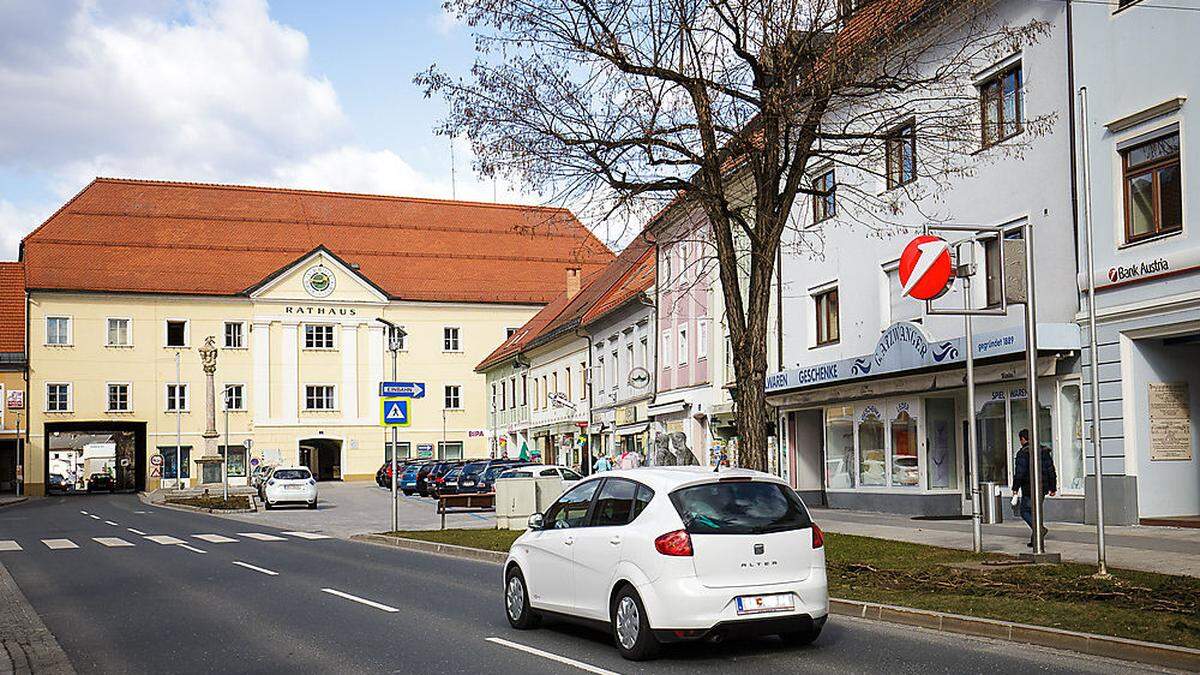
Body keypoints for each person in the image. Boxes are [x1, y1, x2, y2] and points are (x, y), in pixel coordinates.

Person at [1011, 428, 1058, 548]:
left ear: (1023, 439)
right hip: (1043, 487)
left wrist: (1015, 488)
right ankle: (1035, 540)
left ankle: (1039, 529)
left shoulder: (1023, 453)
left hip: (1029, 488)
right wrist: (1053, 487)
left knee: (1025, 512)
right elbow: (1050, 470)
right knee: (1036, 512)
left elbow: (1020, 472)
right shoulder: (1044, 451)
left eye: (1020, 439)